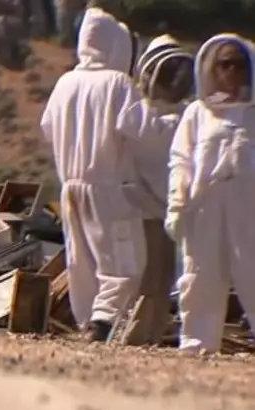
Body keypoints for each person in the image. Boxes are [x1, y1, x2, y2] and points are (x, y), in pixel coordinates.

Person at [40, 5, 166, 342]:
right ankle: (102, 323)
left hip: (70, 187)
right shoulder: (117, 84)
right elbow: (145, 131)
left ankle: (88, 322)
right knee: (123, 263)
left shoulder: (65, 82)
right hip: (108, 186)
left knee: (81, 262)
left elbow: (48, 127)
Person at [165, 34, 255, 353]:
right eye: (224, 64)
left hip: (248, 212)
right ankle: (196, 347)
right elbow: (180, 160)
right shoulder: (197, 114)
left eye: (239, 64)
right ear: (211, 68)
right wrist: (177, 203)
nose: (231, 71)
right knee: (199, 280)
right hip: (203, 211)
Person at [119, 35, 195, 346]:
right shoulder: (138, 117)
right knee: (150, 279)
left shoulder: (178, 118)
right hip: (145, 212)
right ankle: (135, 337)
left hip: (162, 212)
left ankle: (149, 337)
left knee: (162, 279)